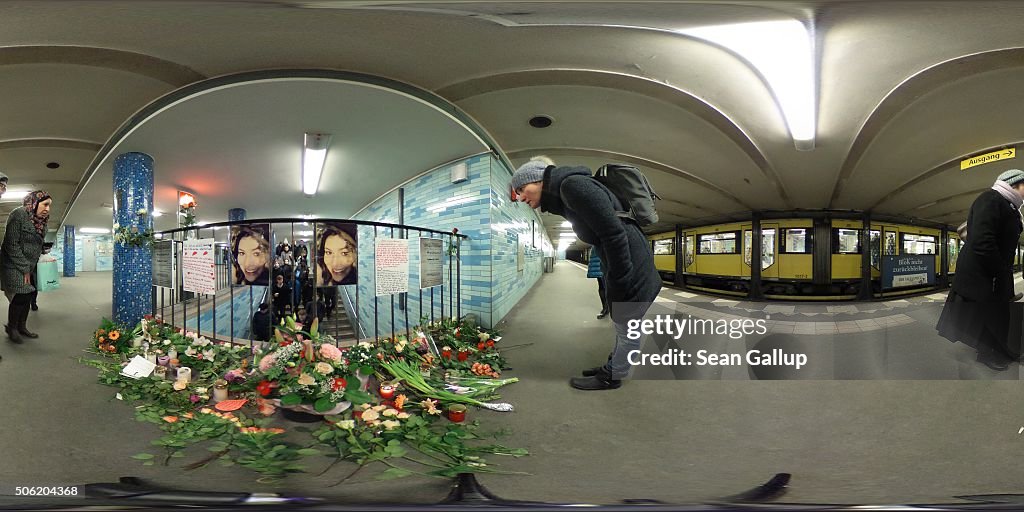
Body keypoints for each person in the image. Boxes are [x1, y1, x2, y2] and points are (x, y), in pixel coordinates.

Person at [512, 157, 661, 390]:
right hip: (627, 260)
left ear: (538, 180)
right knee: (624, 323)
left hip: (631, 263)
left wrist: (620, 280)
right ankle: (615, 364)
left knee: (627, 324)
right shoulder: (568, 190)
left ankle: (612, 376)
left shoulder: (572, 187)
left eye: (522, 189)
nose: (521, 197)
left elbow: (614, 234)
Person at [936, 169, 1024, 370]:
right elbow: (983, 241)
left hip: (997, 272)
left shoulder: (1010, 207)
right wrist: (999, 272)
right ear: (1015, 184)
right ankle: (986, 354)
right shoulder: (990, 199)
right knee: (989, 315)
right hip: (984, 273)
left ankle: (1000, 348)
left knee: (1001, 313)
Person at [2, 190, 51, 345]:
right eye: (45, 204)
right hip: (13, 263)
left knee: (29, 295)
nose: (48, 209)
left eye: (50, 206)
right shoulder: (19, 214)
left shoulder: (43, 222)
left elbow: (36, 244)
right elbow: (11, 244)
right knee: (21, 295)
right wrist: (24, 268)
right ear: (34, 202)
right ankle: (12, 328)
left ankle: (22, 327)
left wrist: (44, 250)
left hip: (30, 264)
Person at [587, 249, 609, 319]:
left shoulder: (594, 243)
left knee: (602, 287)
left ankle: (605, 308)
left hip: (599, 264)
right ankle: (606, 309)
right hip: (604, 264)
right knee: (605, 287)